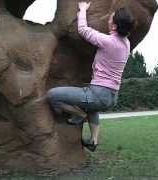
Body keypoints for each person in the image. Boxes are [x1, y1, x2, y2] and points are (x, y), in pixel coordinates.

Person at [46, 1, 134, 152]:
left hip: (98, 94)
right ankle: (93, 141)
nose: (108, 20)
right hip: (112, 96)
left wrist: (82, 10)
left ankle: (79, 114)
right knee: (92, 108)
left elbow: (83, 30)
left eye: (110, 19)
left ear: (114, 26)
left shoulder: (108, 42)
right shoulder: (126, 43)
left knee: (52, 95)